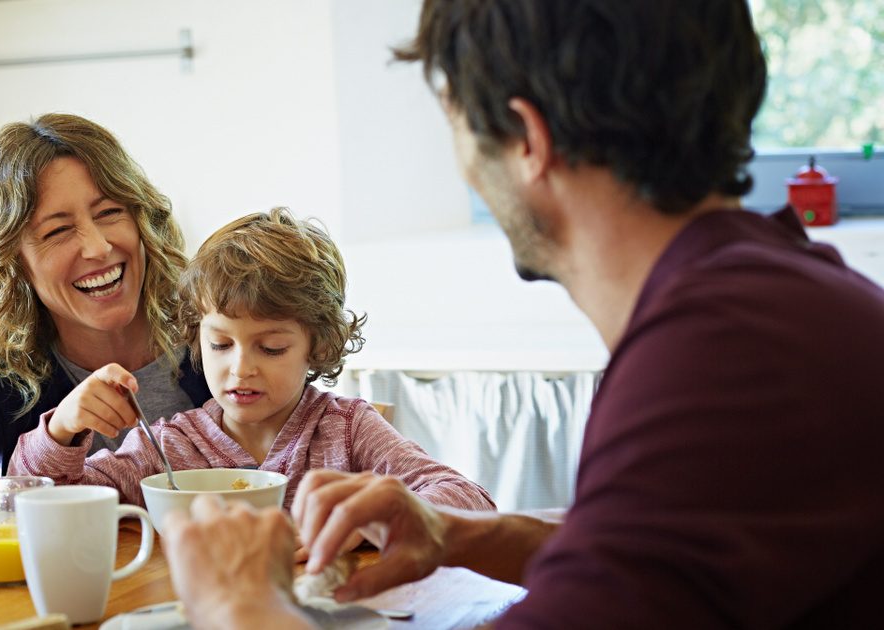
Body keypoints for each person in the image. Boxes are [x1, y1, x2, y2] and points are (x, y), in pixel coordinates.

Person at [160, 1, 884, 628]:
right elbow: (644, 553)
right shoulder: (775, 300)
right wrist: (461, 532)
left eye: (454, 124)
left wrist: (240, 609)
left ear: (525, 138)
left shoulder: (719, 364)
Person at [9, 208, 494, 528]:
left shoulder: (346, 430)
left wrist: (374, 519)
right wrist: (65, 432)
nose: (241, 368)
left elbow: (468, 501)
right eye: (220, 345)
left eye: (272, 348)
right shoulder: (172, 446)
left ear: (316, 345)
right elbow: (36, 507)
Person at [0, 113, 210, 518]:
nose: (98, 247)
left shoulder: (220, 346)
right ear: (15, 263)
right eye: (57, 231)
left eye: (109, 213)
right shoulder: (3, 382)